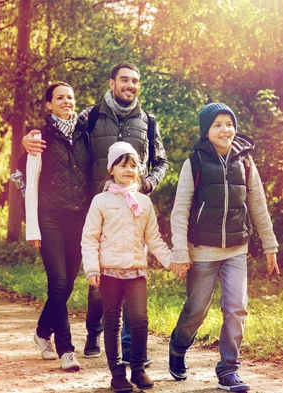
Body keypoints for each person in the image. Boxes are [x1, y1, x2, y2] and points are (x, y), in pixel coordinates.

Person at [22, 62, 169, 362]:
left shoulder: (148, 121)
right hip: (93, 209)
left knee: (131, 272)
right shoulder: (89, 117)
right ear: (112, 83)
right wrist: (26, 141)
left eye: (135, 81)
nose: (130, 85)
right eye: (124, 80)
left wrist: (147, 186)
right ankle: (90, 336)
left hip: (130, 210)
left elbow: (161, 162)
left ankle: (129, 349)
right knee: (92, 278)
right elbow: (55, 138)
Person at [167, 103, 280, 392]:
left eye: (229, 123)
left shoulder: (245, 161)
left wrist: (270, 245)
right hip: (203, 250)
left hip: (236, 249)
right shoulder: (195, 162)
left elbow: (257, 205)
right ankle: (178, 346)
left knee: (237, 308)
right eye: (217, 124)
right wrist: (180, 252)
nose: (225, 129)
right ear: (206, 131)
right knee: (196, 310)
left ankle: (229, 369)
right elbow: (180, 210)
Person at [81, 141, 187, 392]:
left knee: (139, 320)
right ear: (111, 169)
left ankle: (138, 369)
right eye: (123, 165)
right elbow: (89, 238)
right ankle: (117, 373)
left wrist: (171, 262)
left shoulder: (144, 203)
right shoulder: (101, 201)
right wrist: (92, 269)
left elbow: (154, 239)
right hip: (108, 272)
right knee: (112, 321)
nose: (129, 170)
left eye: (134, 165)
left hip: (136, 271)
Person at [26, 81, 91, 372]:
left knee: (67, 286)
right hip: (49, 218)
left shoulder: (84, 134)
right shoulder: (39, 137)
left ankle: (42, 331)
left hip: (79, 219)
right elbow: (27, 182)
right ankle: (66, 350)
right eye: (60, 98)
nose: (67, 101)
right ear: (49, 104)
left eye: (70, 97)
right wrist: (33, 229)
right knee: (59, 283)